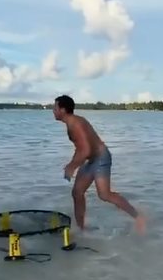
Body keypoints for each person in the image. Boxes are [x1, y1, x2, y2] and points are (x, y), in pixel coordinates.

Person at [53, 95, 146, 233]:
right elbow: (80, 148)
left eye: (55, 108)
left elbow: (86, 149)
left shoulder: (75, 124)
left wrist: (72, 166)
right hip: (90, 160)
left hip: (101, 158)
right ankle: (81, 229)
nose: (53, 111)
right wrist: (72, 164)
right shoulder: (71, 123)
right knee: (77, 192)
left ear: (63, 110)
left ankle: (138, 217)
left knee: (104, 195)